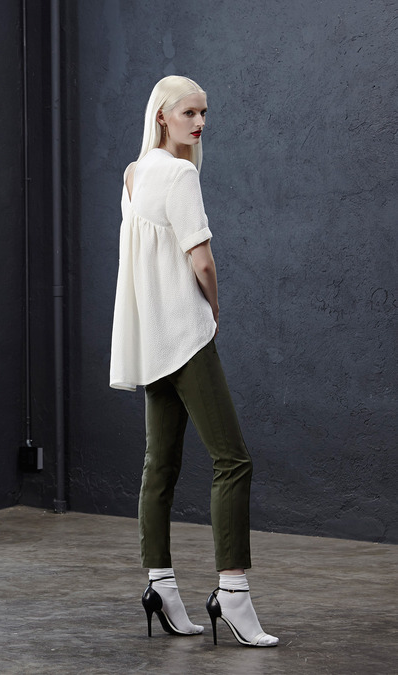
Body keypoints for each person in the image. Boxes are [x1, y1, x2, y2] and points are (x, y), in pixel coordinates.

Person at [110, 75, 278, 647]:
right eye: (189, 113)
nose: (200, 122)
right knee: (233, 460)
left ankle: (159, 585)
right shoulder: (181, 175)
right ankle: (233, 592)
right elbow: (201, 260)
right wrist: (214, 307)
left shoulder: (133, 175)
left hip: (150, 339)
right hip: (184, 335)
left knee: (159, 465)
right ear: (162, 115)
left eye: (204, 113)